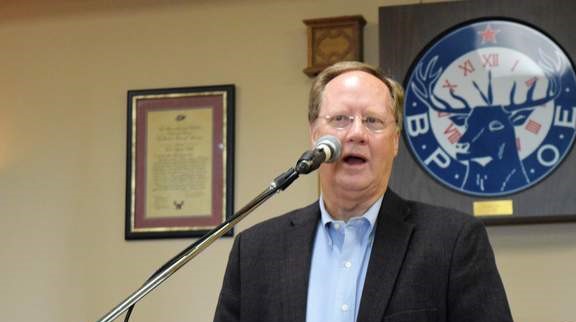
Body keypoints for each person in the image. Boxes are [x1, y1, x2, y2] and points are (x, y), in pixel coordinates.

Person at [214, 61, 513, 322]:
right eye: (340, 119)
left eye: (373, 121)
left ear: (395, 141)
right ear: (315, 135)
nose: (356, 133)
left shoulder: (453, 241)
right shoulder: (255, 251)